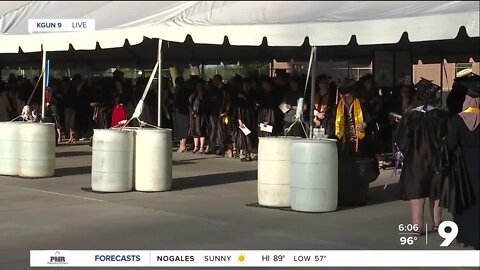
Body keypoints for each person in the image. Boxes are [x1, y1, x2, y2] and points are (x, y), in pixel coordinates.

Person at [396, 78, 448, 236]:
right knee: (436, 192)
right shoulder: (441, 116)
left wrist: (403, 151)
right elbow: (447, 137)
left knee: (417, 193)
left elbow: (402, 140)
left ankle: (417, 227)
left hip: (415, 160)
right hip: (437, 159)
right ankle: (437, 224)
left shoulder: (410, 117)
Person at [447, 76, 479, 249]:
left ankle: (465, 236)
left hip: (464, 165)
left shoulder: (458, 120)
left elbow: (451, 144)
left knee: (465, 199)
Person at [334, 79, 375, 157]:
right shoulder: (339, 107)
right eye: (343, 97)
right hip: (345, 143)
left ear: (353, 94)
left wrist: (365, 124)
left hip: (362, 143)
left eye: (348, 97)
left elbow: (373, 117)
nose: (345, 100)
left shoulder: (363, 104)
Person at [235, 79, 257, 162]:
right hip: (243, 118)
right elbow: (238, 109)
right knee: (244, 136)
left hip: (251, 117)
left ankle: (251, 153)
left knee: (250, 135)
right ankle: (243, 154)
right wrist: (240, 120)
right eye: (245, 86)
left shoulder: (251, 95)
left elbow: (253, 105)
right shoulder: (239, 96)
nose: (247, 87)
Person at [189, 81, 208, 153]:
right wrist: (193, 111)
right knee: (194, 131)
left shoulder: (205, 95)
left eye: (200, 86)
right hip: (194, 115)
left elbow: (205, 105)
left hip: (202, 115)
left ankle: (201, 146)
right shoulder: (194, 95)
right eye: (198, 86)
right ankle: (196, 146)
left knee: (202, 130)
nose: (199, 88)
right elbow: (190, 103)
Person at [173, 77, 190, 152]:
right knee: (180, 127)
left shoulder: (182, 91)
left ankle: (183, 145)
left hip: (182, 111)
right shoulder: (181, 90)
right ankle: (181, 144)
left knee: (183, 128)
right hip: (179, 111)